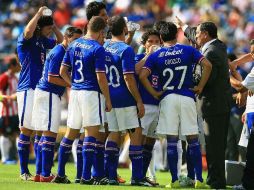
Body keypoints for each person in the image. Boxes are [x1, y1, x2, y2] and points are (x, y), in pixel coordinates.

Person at [139, 22, 212, 188]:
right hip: (187, 96)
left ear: (161, 37)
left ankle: (174, 181)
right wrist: (200, 86)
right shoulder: (188, 49)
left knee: (172, 141)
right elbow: (207, 65)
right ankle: (199, 181)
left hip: (168, 97)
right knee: (193, 140)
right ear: (176, 35)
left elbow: (143, 75)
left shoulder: (157, 54)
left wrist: (154, 93)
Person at [53, 16, 111, 185]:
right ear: (101, 31)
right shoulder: (97, 48)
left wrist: (74, 84)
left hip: (76, 94)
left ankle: (60, 173)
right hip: (91, 93)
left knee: (70, 134)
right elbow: (101, 77)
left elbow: (63, 71)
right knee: (91, 135)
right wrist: (107, 99)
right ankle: (86, 176)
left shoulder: (73, 45)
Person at [16, 6, 63, 181]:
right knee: (26, 129)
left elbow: (61, 41)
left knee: (39, 129)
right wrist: (38, 14)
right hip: (27, 87)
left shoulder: (45, 41)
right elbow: (28, 31)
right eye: (48, 28)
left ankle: (38, 172)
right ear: (39, 27)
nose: (50, 32)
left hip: (40, 89)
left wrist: (54, 26)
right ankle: (23, 171)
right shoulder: (26, 40)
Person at [32, 26, 82, 183]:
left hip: (44, 93)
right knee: (50, 135)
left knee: (44, 135)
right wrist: (73, 84)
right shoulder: (60, 52)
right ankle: (46, 174)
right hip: (49, 93)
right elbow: (52, 77)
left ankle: (40, 173)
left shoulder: (61, 51)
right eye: (74, 40)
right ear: (66, 38)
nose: (77, 43)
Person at [103, 15, 146, 186]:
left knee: (114, 134)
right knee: (136, 134)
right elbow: (128, 78)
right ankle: (136, 177)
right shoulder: (127, 50)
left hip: (109, 98)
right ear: (124, 29)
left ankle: (111, 176)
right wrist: (139, 100)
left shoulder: (105, 46)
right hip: (125, 98)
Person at [195, 22, 232, 189]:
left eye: (197, 33)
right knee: (215, 144)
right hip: (219, 105)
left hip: (213, 105)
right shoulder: (218, 46)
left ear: (204, 34)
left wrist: (194, 83)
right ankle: (215, 179)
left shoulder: (211, 52)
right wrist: (184, 26)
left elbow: (208, 80)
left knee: (214, 145)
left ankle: (216, 181)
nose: (195, 36)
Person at [135, 29, 161, 186]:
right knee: (139, 140)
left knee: (151, 142)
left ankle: (143, 175)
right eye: (150, 41)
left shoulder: (161, 61)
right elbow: (136, 71)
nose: (154, 44)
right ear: (144, 44)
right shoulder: (139, 57)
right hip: (143, 105)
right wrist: (148, 55)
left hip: (158, 106)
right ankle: (136, 176)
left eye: (157, 41)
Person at [0, 55, 20, 164]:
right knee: (5, 135)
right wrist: (6, 99)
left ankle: (19, 158)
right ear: (12, 66)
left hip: (16, 112)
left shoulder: (16, 78)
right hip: (6, 112)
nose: (19, 67)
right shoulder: (4, 77)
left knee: (18, 134)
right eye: (17, 64)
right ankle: (4, 158)